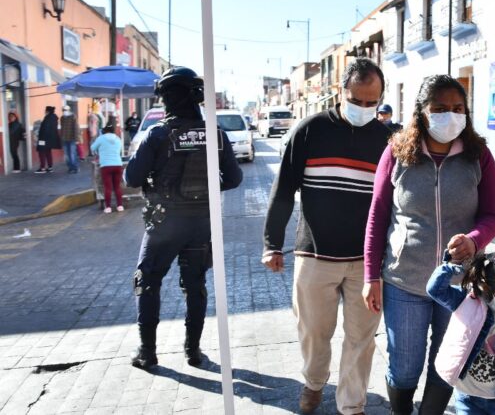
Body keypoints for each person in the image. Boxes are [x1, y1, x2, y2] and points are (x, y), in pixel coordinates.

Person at [363, 74, 495, 415]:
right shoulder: (397, 153)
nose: (449, 115)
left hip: (460, 285)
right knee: (404, 368)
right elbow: (378, 216)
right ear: (422, 112)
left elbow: (492, 216)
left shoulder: (479, 156)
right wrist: (371, 276)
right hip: (404, 282)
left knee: (447, 364)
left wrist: (473, 240)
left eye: (457, 108)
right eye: (439, 109)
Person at [262, 57, 390, 415]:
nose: (363, 108)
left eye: (371, 102)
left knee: (361, 339)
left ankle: (352, 405)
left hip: (367, 264)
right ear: (340, 92)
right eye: (356, 100)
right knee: (313, 331)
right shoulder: (310, 130)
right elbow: (283, 189)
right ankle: (314, 382)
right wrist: (272, 244)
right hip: (314, 256)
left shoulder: (388, 140)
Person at [124, 66, 242, 369]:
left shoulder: (157, 134)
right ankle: (193, 351)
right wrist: (206, 186)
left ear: (166, 98)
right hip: (202, 224)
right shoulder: (215, 135)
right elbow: (234, 179)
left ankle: (147, 352)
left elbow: (132, 178)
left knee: (147, 282)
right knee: (195, 285)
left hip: (165, 224)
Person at [427, 250, 495, 415]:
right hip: (467, 398)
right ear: (486, 287)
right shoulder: (467, 300)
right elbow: (435, 290)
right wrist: (452, 265)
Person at [91, 126, 124, 213]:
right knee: (117, 187)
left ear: (104, 131)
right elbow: (120, 151)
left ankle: (108, 207)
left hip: (106, 166)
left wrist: (99, 151)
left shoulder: (101, 138)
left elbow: (92, 148)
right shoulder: (118, 139)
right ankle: (120, 206)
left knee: (108, 187)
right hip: (118, 165)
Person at [35, 106, 60, 174]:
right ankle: (50, 167)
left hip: (43, 139)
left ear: (48, 111)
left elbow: (45, 129)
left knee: (41, 152)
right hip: (50, 139)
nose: (45, 112)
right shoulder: (54, 118)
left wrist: (40, 138)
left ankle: (42, 168)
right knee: (48, 152)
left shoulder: (47, 118)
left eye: (45, 111)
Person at [60, 105, 81, 173]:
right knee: (66, 155)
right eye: (63, 110)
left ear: (69, 110)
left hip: (72, 139)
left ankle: (75, 167)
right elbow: (62, 128)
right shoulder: (62, 118)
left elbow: (76, 128)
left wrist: (76, 139)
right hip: (64, 139)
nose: (64, 111)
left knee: (72, 154)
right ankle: (70, 167)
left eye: (65, 110)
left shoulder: (73, 117)